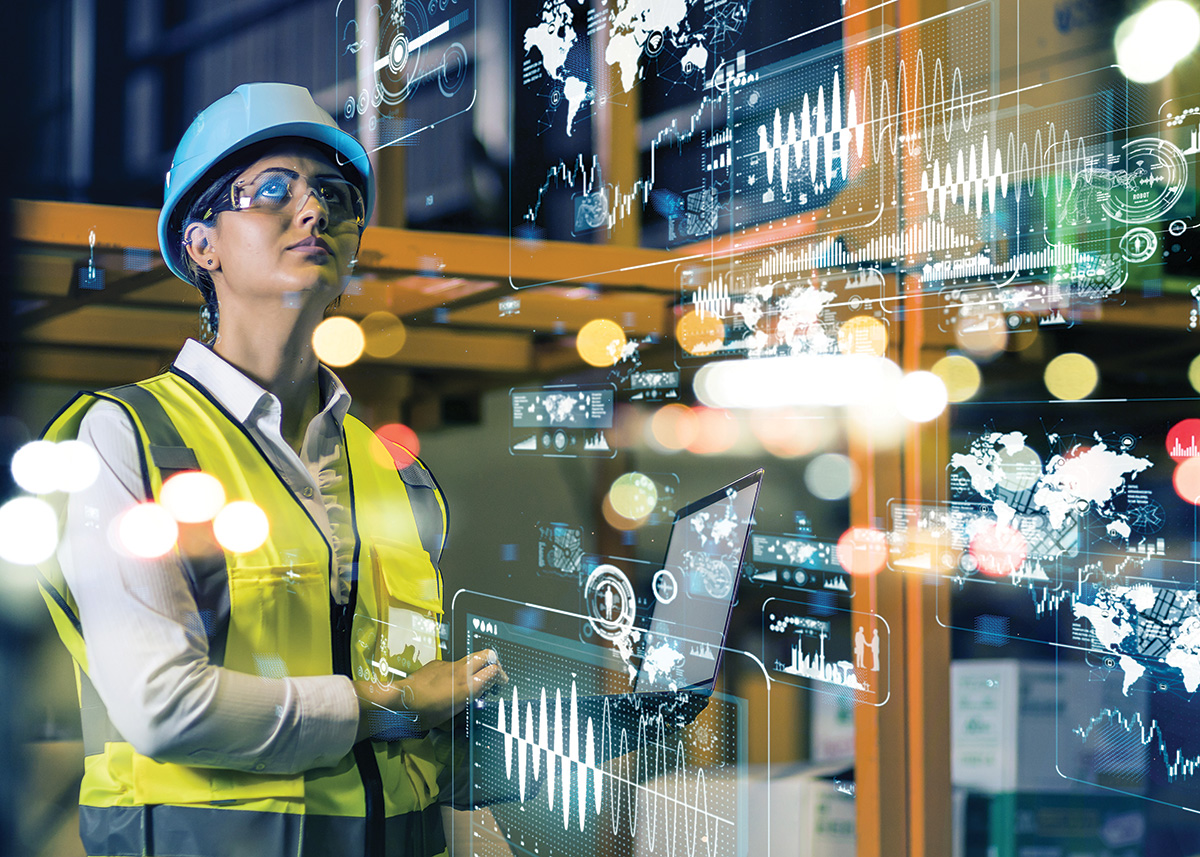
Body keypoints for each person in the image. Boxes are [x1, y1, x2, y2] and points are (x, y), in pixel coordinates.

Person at [36, 82, 504, 857]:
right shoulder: (128, 439)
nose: (314, 211)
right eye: (274, 191)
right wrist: (390, 705)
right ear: (201, 244)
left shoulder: (393, 470)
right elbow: (163, 705)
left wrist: (579, 736)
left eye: (334, 195)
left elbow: (417, 746)